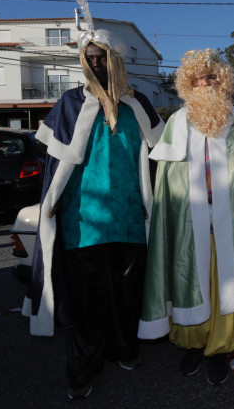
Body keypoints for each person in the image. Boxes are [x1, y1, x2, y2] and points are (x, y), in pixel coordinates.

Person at [22, 22, 164, 399]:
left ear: (116, 60)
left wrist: (155, 204)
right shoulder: (69, 104)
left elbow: (157, 162)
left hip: (132, 218)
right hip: (83, 221)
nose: (97, 64)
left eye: (103, 57)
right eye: (90, 58)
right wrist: (50, 203)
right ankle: (82, 369)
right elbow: (56, 166)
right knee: (87, 299)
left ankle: (124, 349)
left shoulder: (139, 104)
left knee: (127, 292)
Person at [138, 49, 234, 385]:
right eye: (197, 79)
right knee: (189, 280)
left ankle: (221, 348)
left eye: (210, 77)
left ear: (222, 82)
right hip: (188, 223)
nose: (204, 83)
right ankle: (194, 343)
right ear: (187, 84)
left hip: (229, 221)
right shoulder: (177, 122)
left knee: (225, 283)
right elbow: (166, 178)